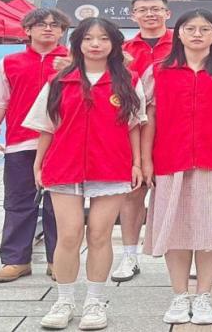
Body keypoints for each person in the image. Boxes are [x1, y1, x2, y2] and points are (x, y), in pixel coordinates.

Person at [25, 18, 145, 330]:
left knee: (100, 235)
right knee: (68, 235)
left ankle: (94, 300)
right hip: (63, 165)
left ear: (114, 44)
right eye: (88, 38)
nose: (95, 44)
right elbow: (47, 126)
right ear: (77, 43)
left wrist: (137, 162)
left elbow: (135, 125)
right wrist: (39, 163)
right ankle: (64, 300)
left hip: (112, 165)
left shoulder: (128, 81)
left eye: (103, 38)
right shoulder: (59, 81)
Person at [140, 9, 212, 325]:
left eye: (205, 29)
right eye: (190, 28)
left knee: (211, 230)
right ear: (178, 33)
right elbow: (149, 118)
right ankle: (179, 295)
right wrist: (146, 159)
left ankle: (204, 295)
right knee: (174, 229)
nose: (197, 34)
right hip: (170, 159)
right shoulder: (159, 70)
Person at [0, 8, 70, 282]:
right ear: (27, 30)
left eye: (55, 25)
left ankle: (58, 261)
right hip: (20, 143)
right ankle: (16, 260)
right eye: (41, 24)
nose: (49, 29)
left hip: (62, 144)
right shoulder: (10, 63)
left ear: (62, 31)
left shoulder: (73, 61)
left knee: (60, 205)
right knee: (18, 202)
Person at [112, 0, 173, 282]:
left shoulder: (183, 44)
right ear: (133, 15)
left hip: (177, 128)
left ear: (167, 13)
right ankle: (129, 256)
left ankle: (185, 253)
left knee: (180, 192)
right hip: (133, 130)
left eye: (156, 9)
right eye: (143, 9)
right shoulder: (121, 51)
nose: (150, 14)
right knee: (133, 192)